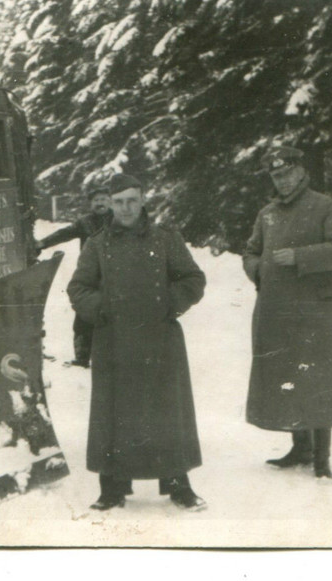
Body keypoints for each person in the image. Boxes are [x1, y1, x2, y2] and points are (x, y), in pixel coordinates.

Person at [68, 174, 208, 511]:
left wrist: (168, 304)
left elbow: (193, 278)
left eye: (132, 200)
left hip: (160, 340)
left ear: (143, 199)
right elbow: (79, 288)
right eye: (119, 202)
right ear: (111, 205)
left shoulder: (164, 239)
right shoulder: (98, 244)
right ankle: (113, 487)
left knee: (166, 412)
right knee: (114, 413)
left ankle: (178, 484)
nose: (126, 208)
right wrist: (101, 309)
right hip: (113, 342)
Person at [243, 144, 332, 479]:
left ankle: (322, 460)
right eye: (275, 176)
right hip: (277, 309)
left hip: (316, 310)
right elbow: (250, 251)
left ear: (300, 172)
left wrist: (300, 257)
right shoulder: (267, 214)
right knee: (287, 374)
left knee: (320, 379)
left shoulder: (325, 206)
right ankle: (300, 448)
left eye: (286, 173)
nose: (281, 181)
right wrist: (258, 270)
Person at [35, 185, 114, 367]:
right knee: (84, 314)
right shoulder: (85, 222)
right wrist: (42, 243)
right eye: (96, 200)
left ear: (110, 202)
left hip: (115, 274)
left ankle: (113, 358)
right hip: (89, 275)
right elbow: (64, 234)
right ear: (90, 204)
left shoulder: (118, 221)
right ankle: (82, 357)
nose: (100, 203)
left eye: (103, 199)